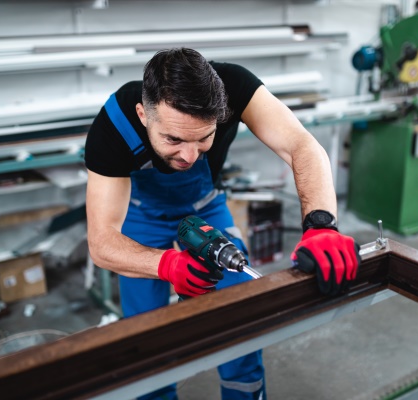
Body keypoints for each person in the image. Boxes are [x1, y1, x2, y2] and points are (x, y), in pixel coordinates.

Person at [85, 48, 360, 400]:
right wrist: (165, 263)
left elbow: (301, 145)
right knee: (144, 338)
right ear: (143, 114)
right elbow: (102, 241)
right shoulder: (115, 124)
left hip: (205, 206)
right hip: (139, 215)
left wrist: (321, 224)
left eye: (203, 139)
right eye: (173, 140)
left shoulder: (234, 86)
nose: (188, 156)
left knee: (241, 316)